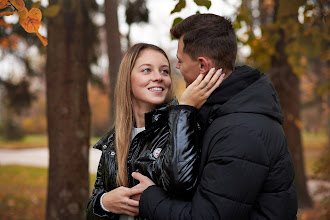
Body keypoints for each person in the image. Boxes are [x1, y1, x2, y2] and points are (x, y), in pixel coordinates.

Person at [132, 14, 298, 219]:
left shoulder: (239, 132)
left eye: (180, 60)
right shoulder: (221, 113)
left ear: (203, 66)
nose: (177, 67)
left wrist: (149, 198)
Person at [86, 43, 225, 219]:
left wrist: (184, 111)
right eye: (147, 70)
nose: (158, 77)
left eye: (164, 71)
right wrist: (104, 203)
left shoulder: (183, 127)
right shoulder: (114, 141)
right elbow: (91, 210)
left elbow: (181, 183)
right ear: (127, 79)